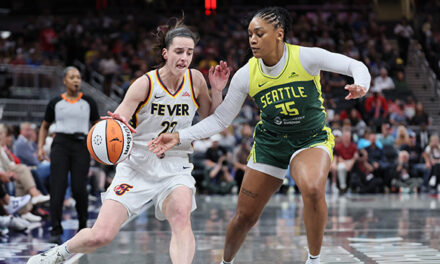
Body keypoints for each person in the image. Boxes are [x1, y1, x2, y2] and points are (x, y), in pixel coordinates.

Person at [149, 7, 370, 264]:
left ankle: (314, 259)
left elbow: (355, 65)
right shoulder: (246, 74)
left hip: (310, 138)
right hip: (270, 144)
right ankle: (225, 262)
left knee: (311, 187)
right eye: (250, 34)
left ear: (279, 34)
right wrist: (179, 136)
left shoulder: (305, 57)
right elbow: (221, 119)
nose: (252, 39)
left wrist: (361, 85)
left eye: (259, 33)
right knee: (244, 217)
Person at [28, 18, 230, 264]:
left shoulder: (196, 80)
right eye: (179, 51)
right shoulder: (145, 83)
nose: (184, 58)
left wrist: (217, 90)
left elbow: (211, 118)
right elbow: (121, 116)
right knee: (100, 236)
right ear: (166, 53)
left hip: (175, 166)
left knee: (181, 216)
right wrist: (117, 125)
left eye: (189, 52)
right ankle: (59, 253)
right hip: (137, 167)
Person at [36, 66, 100, 243]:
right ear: (64, 81)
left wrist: (98, 149)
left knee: (80, 187)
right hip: (60, 145)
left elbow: (97, 126)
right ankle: (55, 228)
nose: (76, 80)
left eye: (78, 77)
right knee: (58, 186)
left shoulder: (89, 102)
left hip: (81, 145)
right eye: (72, 77)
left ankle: (82, 226)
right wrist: (40, 146)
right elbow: (45, 125)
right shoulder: (55, 102)